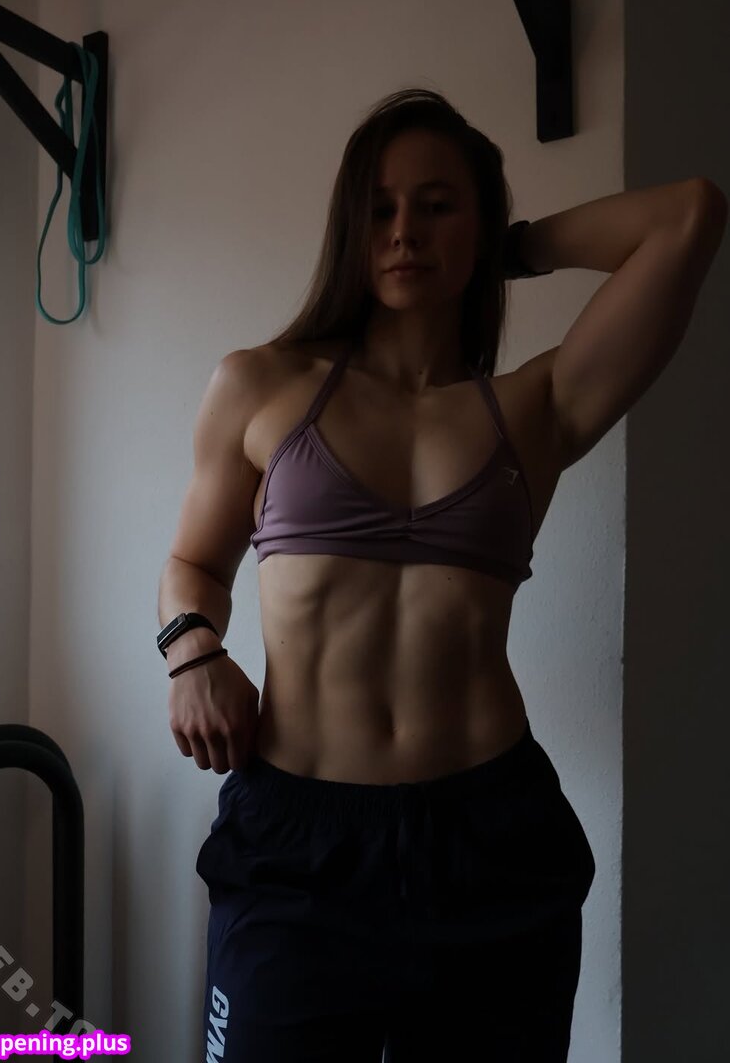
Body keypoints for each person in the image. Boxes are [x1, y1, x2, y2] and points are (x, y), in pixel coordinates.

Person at [157, 89, 725, 1061]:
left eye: (436, 205)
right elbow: (193, 563)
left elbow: (689, 215)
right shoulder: (262, 385)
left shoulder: (536, 406)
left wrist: (513, 248)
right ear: (350, 225)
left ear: (481, 220)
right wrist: (192, 652)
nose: (403, 231)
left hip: (490, 839)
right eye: (379, 207)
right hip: (297, 843)